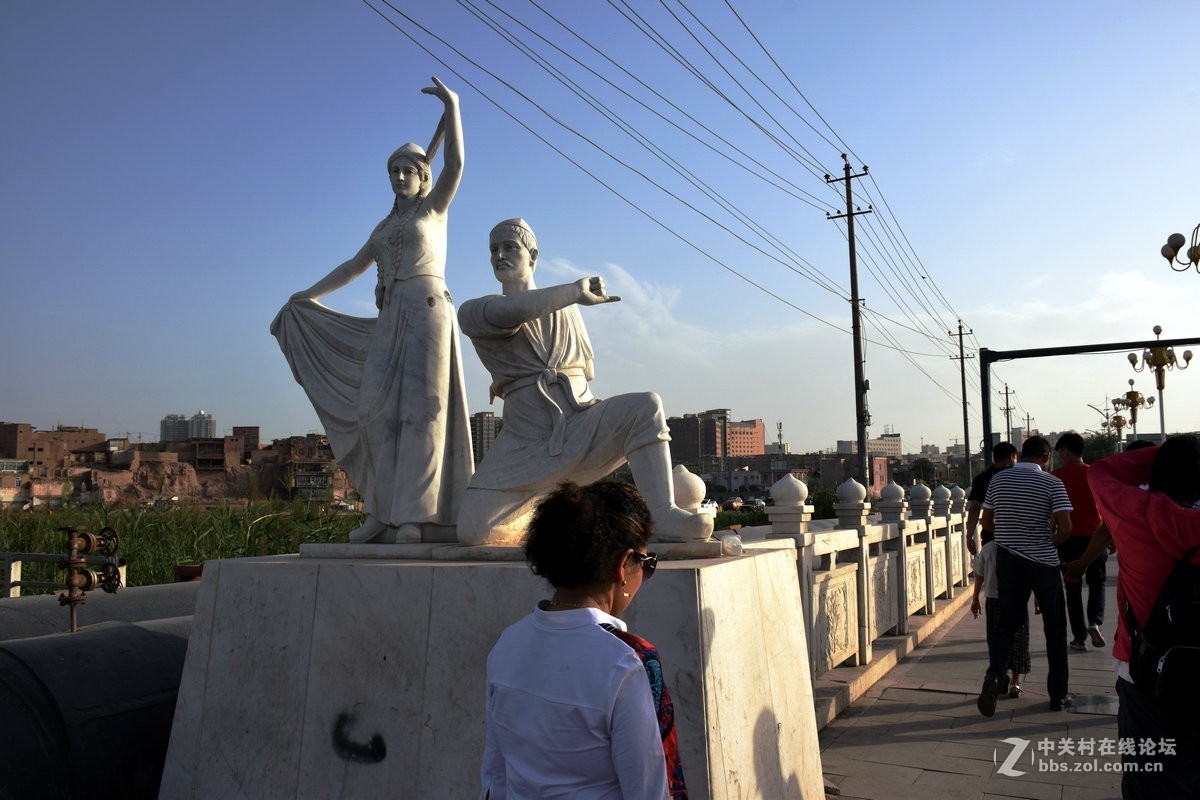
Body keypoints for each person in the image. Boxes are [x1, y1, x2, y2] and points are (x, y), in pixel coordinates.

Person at [271, 78, 473, 544]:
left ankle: (413, 518)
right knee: (374, 413)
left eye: (409, 171)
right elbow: (353, 266)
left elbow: (457, 164)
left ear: (423, 177)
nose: (401, 177)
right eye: (394, 172)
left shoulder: (434, 211)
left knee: (423, 415)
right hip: (391, 315)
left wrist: (453, 107)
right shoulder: (384, 226)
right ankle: (381, 511)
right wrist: (307, 296)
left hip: (427, 309)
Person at [456, 218, 713, 545]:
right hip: (524, 441)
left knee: (645, 406)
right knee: (474, 532)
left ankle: (662, 513)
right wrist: (575, 292)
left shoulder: (566, 311)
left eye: (510, 247)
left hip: (579, 424)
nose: (499, 255)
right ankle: (540, 515)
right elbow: (511, 312)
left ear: (532, 257)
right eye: (493, 249)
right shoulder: (475, 311)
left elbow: (581, 377)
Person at [479, 481, 682, 800]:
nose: (644, 574)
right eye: (646, 563)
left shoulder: (508, 644)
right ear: (622, 565)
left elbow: (494, 778)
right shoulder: (628, 662)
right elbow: (652, 791)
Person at [1088, 438, 1200, 798]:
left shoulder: (1137, 512)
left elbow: (1103, 470)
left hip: (1148, 676)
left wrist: (1166, 454)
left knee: (1149, 780)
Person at [976, 436, 1073, 716]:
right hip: (1043, 563)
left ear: (1020, 454)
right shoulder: (1053, 483)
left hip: (1008, 559)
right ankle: (1058, 695)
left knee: (1006, 623)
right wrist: (1044, 542)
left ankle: (995, 675)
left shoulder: (998, 481)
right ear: (1046, 457)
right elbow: (1066, 528)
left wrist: (1010, 537)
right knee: (1055, 628)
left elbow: (987, 522)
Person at [1051, 432, 1107, 651]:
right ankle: (1095, 621)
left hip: (1069, 538)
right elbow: (1105, 506)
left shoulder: (1056, 476)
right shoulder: (1095, 473)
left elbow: (1054, 511)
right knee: (1097, 582)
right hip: (1096, 537)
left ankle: (1079, 638)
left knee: (1072, 586)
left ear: (1065, 451)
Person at [970, 538, 1031, 697]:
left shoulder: (989, 548)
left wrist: (975, 598)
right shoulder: (1021, 545)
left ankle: (998, 676)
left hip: (993, 601)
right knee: (1019, 640)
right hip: (1017, 600)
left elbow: (979, 575)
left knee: (995, 640)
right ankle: (1015, 683)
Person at [965, 442, 1018, 555]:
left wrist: (969, 537)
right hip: (1018, 539)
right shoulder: (1019, 477)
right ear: (1011, 457)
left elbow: (974, 509)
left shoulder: (981, 479)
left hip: (991, 537)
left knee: (992, 571)